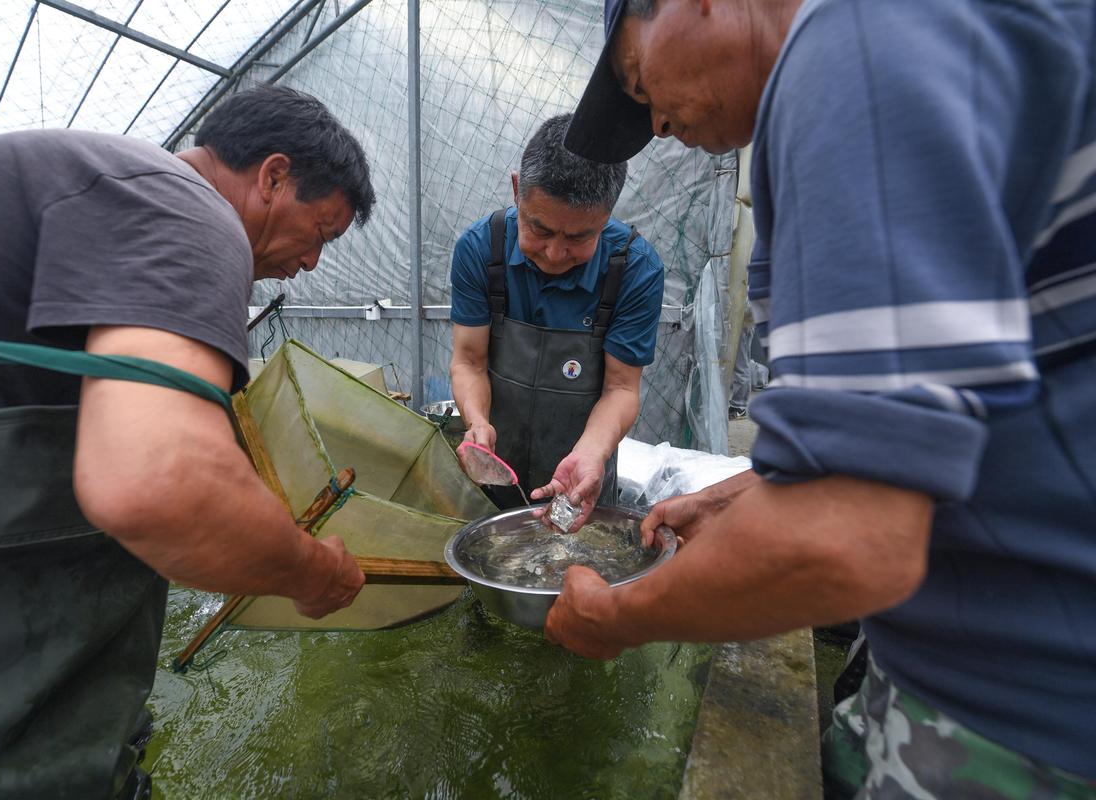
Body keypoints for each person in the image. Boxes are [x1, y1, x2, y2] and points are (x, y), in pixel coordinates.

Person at [551, 0, 1096, 796]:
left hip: (1023, 705)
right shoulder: (909, 45)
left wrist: (620, 616)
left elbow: (848, 537)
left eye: (639, 80)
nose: (656, 124)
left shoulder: (851, 49)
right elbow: (932, 414)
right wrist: (739, 496)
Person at [0, 86, 373, 799]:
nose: (310, 263)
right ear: (272, 176)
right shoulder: (185, 207)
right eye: (319, 232)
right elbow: (161, 481)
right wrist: (312, 574)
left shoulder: (102, 185)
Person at [449, 113, 665, 526]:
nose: (553, 253)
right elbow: (469, 361)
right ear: (517, 190)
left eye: (579, 238)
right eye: (539, 229)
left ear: (606, 217)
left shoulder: (635, 269)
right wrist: (477, 422)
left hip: (582, 483)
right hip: (494, 474)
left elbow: (621, 387)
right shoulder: (481, 249)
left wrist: (590, 455)